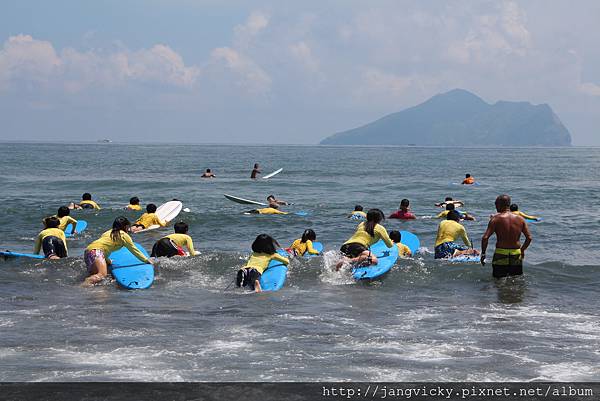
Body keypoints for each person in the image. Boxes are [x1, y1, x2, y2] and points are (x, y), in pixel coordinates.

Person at [83, 217, 152, 286]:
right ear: (126, 226)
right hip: (96, 251)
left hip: (88, 251)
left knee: (95, 276)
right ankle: (82, 287)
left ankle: (93, 293)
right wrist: (146, 260)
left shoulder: (108, 232)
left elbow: (106, 247)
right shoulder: (123, 235)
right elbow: (134, 249)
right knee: (102, 275)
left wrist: (107, 260)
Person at [481, 195, 533, 278]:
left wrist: (483, 254)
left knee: (498, 280)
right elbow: (529, 238)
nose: (495, 206)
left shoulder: (495, 219)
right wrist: (522, 250)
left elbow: (485, 238)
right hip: (516, 253)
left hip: (500, 253)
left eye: (496, 204)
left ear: (500, 204)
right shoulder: (520, 219)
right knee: (516, 279)